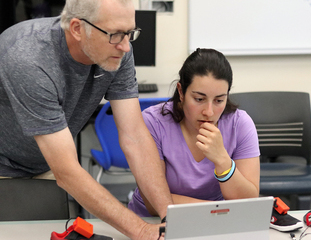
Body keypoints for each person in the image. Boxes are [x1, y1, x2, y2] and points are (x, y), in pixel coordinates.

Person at [0, 0, 173, 239]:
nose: (125, 46)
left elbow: (135, 137)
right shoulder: (29, 58)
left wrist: (170, 220)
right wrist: (142, 230)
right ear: (77, 29)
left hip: (46, 162)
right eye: (115, 34)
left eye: (130, 33)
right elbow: (67, 171)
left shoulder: (119, 52)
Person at [128, 48, 261, 217]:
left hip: (216, 221)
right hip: (154, 221)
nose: (209, 112)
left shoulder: (240, 124)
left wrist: (222, 161)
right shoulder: (153, 123)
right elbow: (154, 203)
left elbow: (248, 201)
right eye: (199, 99)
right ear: (181, 92)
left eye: (219, 100)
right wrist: (216, 209)